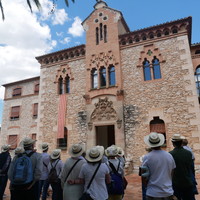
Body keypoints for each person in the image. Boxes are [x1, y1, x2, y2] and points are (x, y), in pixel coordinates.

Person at [142, 132, 176, 200]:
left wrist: (146, 186)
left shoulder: (147, 157)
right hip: (167, 191)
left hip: (153, 192)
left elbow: (144, 175)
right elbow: (172, 172)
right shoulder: (169, 156)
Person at [169, 134, 195, 200]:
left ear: (173, 143)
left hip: (176, 182)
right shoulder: (189, 153)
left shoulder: (170, 154)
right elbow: (191, 167)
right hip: (187, 181)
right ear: (181, 142)